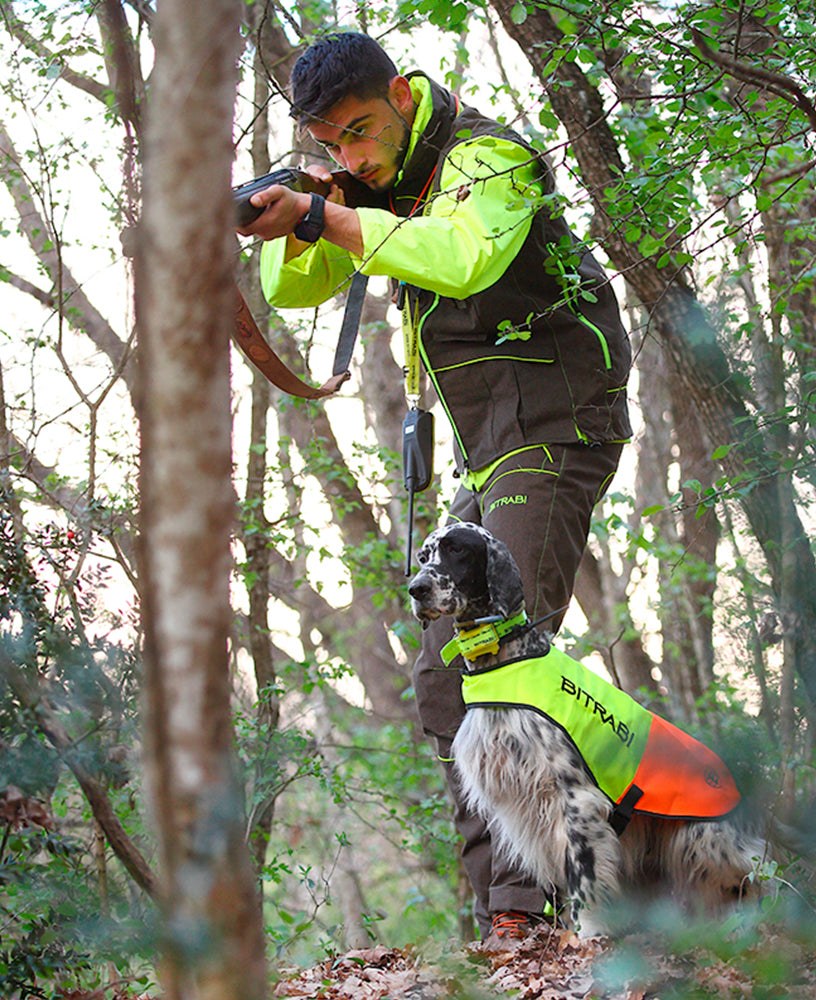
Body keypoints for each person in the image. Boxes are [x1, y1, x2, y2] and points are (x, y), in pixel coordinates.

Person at [239, 31, 631, 942]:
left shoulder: (488, 158)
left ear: (403, 97)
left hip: (559, 423)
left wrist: (327, 211)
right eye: (332, 144)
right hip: (494, 448)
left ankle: (532, 917)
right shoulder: (377, 186)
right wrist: (306, 212)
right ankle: (502, 919)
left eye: (362, 131)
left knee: (501, 659)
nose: (352, 155)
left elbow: (461, 258)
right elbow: (293, 290)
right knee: (443, 678)